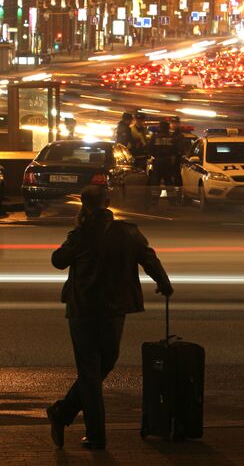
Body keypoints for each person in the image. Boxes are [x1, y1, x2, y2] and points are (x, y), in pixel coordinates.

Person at [46, 185, 173, 450]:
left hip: (83, 310)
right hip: (115, 310)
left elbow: (58, 260)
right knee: (103, 365)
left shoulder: (81, 235)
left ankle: (66, 414)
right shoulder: (128, 232)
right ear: (107, 202)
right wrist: (163, 282)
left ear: (85, 204)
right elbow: (148, 258)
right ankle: (90, 431)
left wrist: (76, 238)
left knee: (91, 371)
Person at [149, 119, 177, 207]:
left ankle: (154, 201)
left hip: (157, 162)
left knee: (156, 182)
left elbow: (150, 149)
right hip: (168, 162)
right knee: (168, 181)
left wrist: (155, 155)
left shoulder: (155, 137)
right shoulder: (171, 138)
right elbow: (175, 150)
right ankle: (172, 201)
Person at [170, 116, 187, 203]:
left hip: (176, 161)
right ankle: (172, 198)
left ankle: (177, 198)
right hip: (169, 162)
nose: (173, 125)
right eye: (172, 123)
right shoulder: (169, 134)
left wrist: (176, 156)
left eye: (175, 123)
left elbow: (181, 150)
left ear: (179, 124)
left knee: (177, 179)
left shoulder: (180, 136)